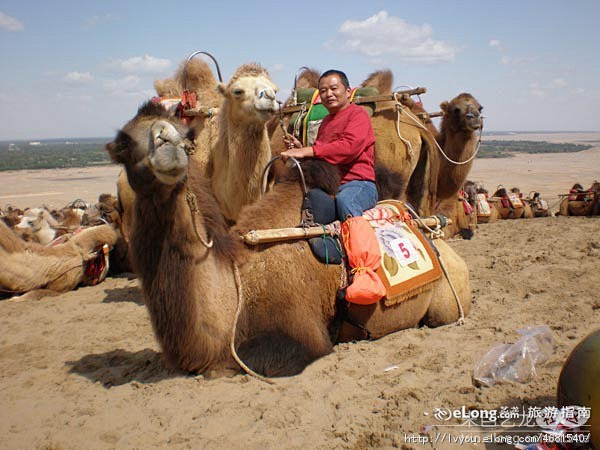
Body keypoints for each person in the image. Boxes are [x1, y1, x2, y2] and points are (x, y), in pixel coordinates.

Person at [280, 69, 377, 220]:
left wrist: (307, 151)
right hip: (331, 186)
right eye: (323, 91)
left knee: (346, 202)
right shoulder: (326, 121)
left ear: (347, 91)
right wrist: (300, 149)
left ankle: (361, 243)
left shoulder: (358, 115)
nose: (329, 94)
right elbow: (323, 154)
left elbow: (348, 147)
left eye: (334, 88)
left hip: (357, 184)